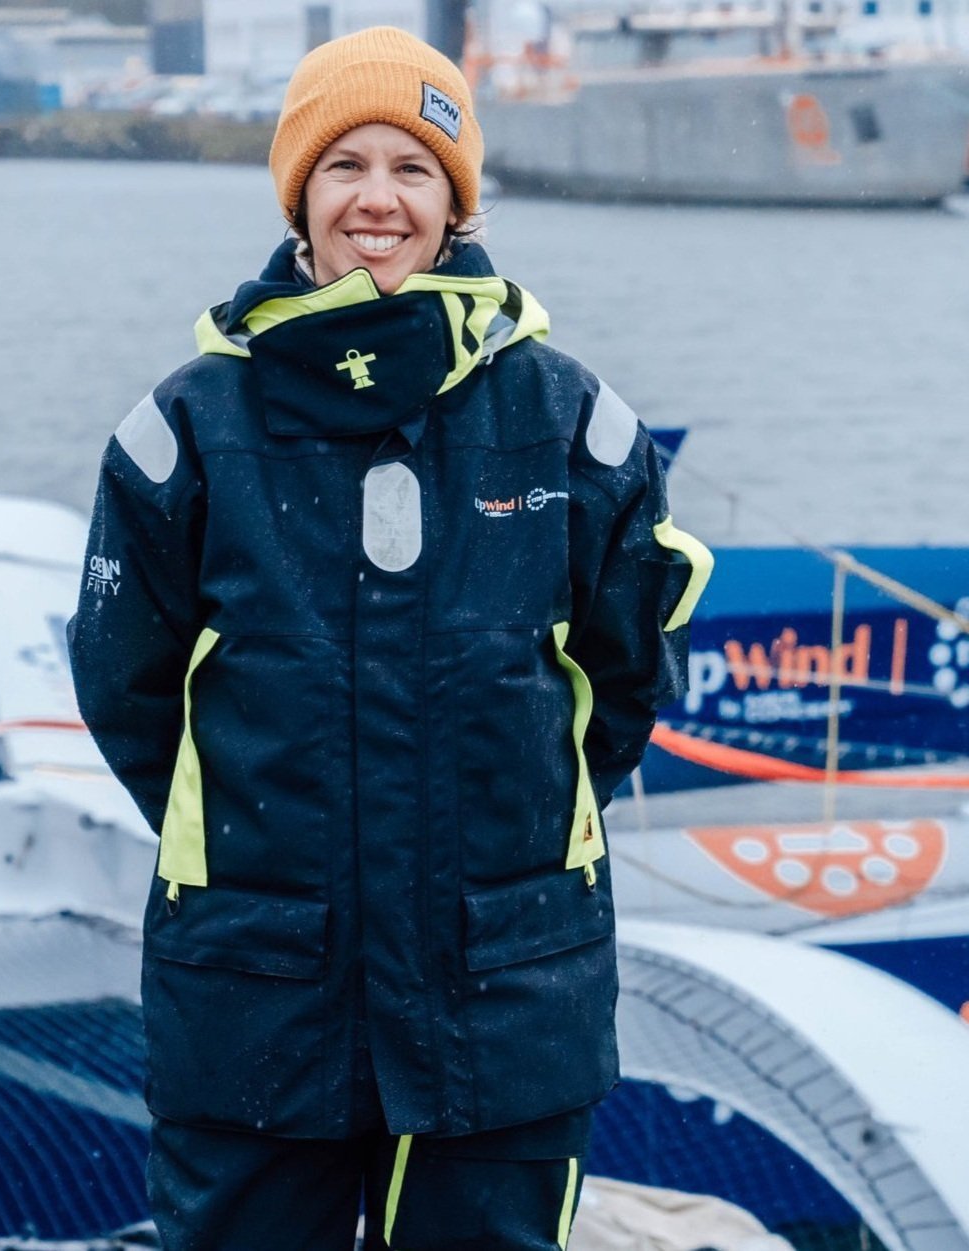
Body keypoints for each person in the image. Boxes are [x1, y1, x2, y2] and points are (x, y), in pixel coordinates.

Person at [70, 26, 711, 1251]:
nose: (378, 199)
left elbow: (625, 675)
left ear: (457, 203)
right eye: (345, 165)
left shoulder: (568, 422)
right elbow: (126, 687)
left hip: (505, 996)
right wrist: (256, 848)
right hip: (258, 998)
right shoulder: (188, 431)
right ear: (299, 195)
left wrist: (514, 834)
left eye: (414, 169)